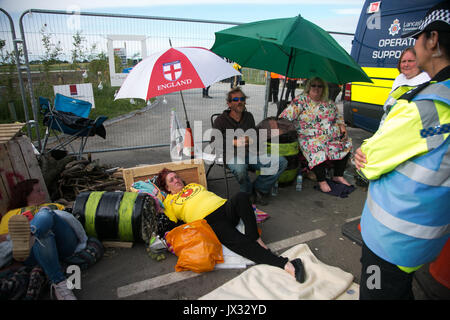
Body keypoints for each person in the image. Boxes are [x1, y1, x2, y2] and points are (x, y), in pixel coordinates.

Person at [355, 2, 450, 300]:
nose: (413, 46)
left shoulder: (424, 107)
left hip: (390, 240)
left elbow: (369, 161)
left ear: (433, 40)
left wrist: (368, 150)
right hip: (429, 234)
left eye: (417, 37)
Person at [156, 168, 306, 283]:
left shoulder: (194, 185)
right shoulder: (170, 202)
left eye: (176, 176)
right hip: (209, 221)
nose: (176, 180)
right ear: (167, 188)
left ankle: (255, 238)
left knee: (241, 196)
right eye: (171, 180)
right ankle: (285, 264)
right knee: (237, 241)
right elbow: (170, 225)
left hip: (225, 207)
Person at [0, 179, 86, 300]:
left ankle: (31, 233)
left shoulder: (54, 206)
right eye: (38, 191)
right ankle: (60, 284)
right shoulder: (11, 215)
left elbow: (70, 219)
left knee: (45, 214)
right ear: (26, 195)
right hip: (36, 252)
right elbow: (2, 239)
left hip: (63, 243)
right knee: (44, 233)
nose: (43, 193)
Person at [212, 87, 288, 205]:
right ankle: (247, 193)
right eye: (235, 99)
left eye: (242, 98)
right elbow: (214, 142)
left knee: (281, 162)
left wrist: (251, 139)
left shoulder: (248, 116)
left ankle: (259, 189)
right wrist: (234, 142)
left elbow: (255, 136)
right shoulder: (220, 120)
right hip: (231, 155)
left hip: (250, 153)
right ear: (229, 103)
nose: (239, 102)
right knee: (240, 168)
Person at [279, 77, 353, 193]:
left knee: (345, 144)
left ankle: (338, 175)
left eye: (320, 86)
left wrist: (342, 127)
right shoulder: (301, 101)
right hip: (309, 136)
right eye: (314, 85)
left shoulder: (329, 102)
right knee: (317, 147)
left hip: (329, 135)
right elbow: (285, 118)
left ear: (324, 88)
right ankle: (322, 180)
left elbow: (338, 118)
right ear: (309, 87)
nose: (316, 88)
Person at [378, 47, 430, 127]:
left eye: (410, 61)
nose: (406, 64)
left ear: (419, 62)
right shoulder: (399, 79)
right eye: (403, 61)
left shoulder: (426, 81)